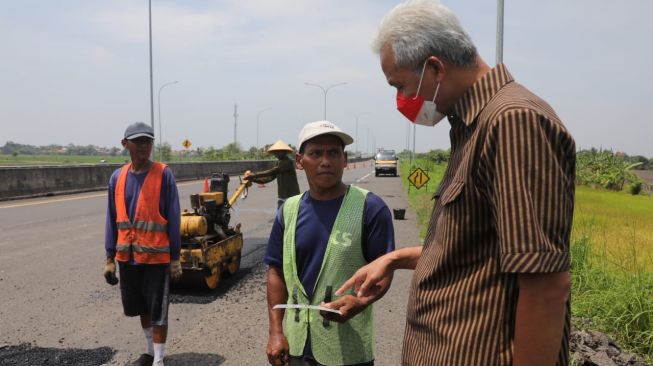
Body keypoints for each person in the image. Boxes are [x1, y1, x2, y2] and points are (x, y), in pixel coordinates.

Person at [332, 1, 576, 365]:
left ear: (435, 68)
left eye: (400, 85)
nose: (400, 99)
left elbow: (545, 285)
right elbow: (476, 250)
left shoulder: (512, 121)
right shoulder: (470, 127)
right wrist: (395, 259)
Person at [265, 121, 396, 366]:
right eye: (315, 153)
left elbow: (384, 270)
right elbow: (276, 271)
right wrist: (275, 332)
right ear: (299, 161)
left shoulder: (370, 208)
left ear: (345, 160)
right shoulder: (288, 211)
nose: (326, 161)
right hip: (295, 346)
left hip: (348, 350)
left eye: (333, 153)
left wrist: (361, 302)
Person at [103, 121, 182, 366]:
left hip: (157, 259)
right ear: (125, 144)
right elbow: (112, 219)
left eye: (147, 141)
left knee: (158, 310)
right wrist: (109, 258)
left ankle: (159, 359)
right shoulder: (117, 177)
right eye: (137, 141)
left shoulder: (163, 174)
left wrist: (175, 258)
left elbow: (173, 216)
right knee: (141, 308)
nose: (143, 146)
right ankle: (150, 350)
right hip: (128, 258)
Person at [245, 140, 300, 209]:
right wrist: (253, 179)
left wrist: (253, 175)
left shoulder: (287, 162)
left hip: (292, 196)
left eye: (278, 152)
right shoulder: (278, 163)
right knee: (280, 218)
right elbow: (269, 178)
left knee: (290, 218)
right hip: (282, 196)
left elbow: (272, 171)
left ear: (284, 152)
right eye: (275, 152)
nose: (276, 154)